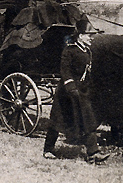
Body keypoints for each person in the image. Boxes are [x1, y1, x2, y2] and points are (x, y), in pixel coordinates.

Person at [43, 20, 109, 164]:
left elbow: (87, 74)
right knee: (57, 122)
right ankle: (48, 150)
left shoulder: (87, 51)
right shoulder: (69, 50)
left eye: (92, 35)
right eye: (88, 35)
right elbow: (65, 71)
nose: (91, 38)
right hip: (66, 94)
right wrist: (71, 87)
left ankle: (93, 154)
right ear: (80, 36)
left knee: (88, 120)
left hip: (81, 92)